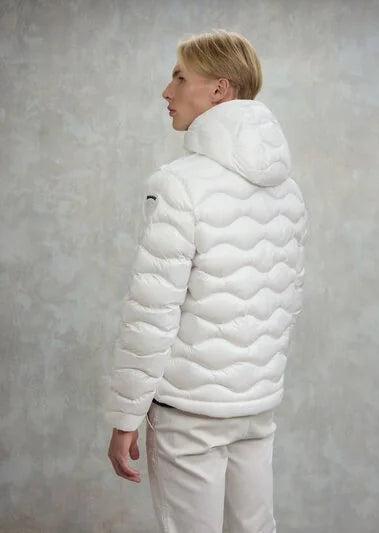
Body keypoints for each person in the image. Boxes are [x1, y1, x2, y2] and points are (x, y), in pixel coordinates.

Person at [105, 28, 307, 533]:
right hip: (256, 407)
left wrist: (125, 417)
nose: (166, 91)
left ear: (219, 89)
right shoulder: (287, 190)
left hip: (190, 414)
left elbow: (152, 315)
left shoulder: (178, 185)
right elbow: (287, 303)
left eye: (179, 78)